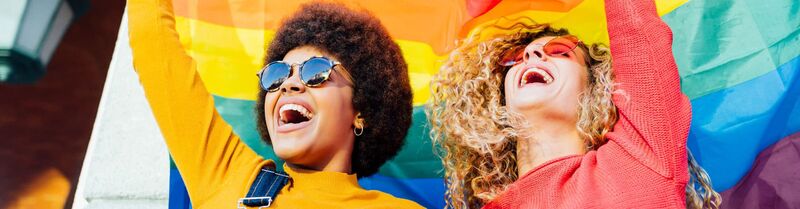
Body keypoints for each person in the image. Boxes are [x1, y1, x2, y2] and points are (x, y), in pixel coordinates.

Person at [127, 0, 422, 208]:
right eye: (277, 74)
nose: (289, 84)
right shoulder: (226, 176)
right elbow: (153, 43)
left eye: (315, 72)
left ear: (361, 111)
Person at [429, 0, 720, 208]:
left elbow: (637, 30)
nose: (532, 55)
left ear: (595, 90)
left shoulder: (641, 157)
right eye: (515, 60)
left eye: (560, 52)